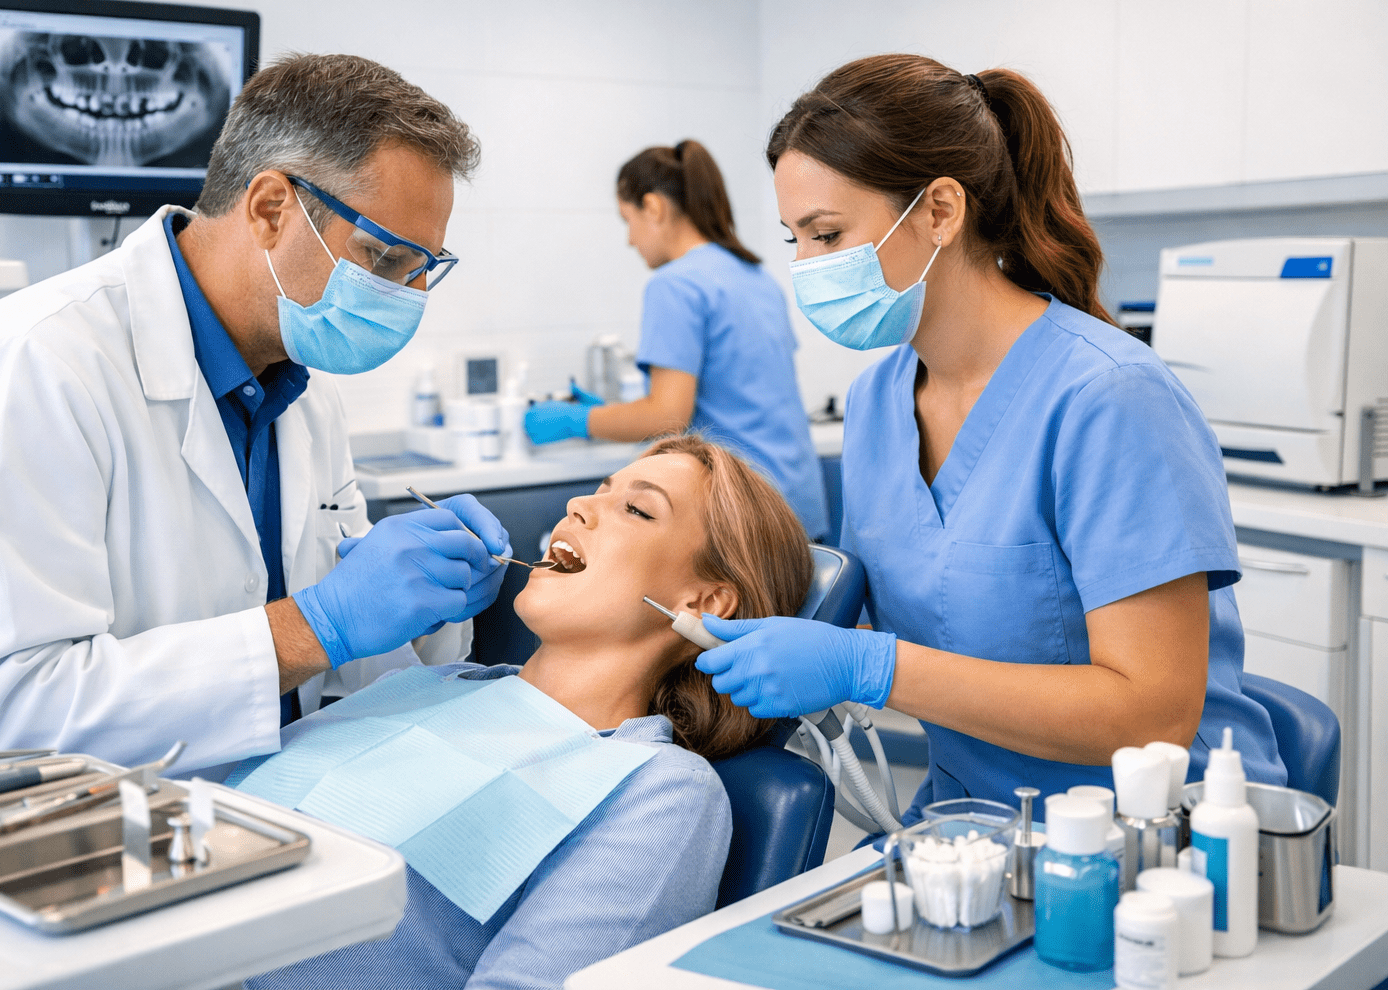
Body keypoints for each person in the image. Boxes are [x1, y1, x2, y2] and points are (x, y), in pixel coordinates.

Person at [0, 55, 512, 774]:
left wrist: (427, 607)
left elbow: (340, 669)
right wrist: (319, 625)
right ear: (271, 208)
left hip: (231, 803)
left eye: (423, 269)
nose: (407, 297)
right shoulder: (30, 368)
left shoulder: (301, 386)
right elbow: (7, 714)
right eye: (382, 258)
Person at [693, 55, 1285, 819]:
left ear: (940, 210)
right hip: (972, 819)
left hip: (1157, 832)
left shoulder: (1109, 397)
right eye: (794, 241)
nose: (806, 267)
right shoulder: (877, 403)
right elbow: (898, 602)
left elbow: (1152, 715)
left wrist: (872, 667)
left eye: (827, 234)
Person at [235, 435, 814, 990]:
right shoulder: (427, 684)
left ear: (703, 604)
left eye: (637, 510)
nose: (579, 504)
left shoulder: (658, 788)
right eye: (600, 489)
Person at [524, 140, 830, 541]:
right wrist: (610, 412)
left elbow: (666, 416)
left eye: (627, 220)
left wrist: (577, 420)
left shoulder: (675, 284)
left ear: (653, 208)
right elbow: (737, 394)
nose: (630, 240)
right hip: (798, 503)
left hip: (742, 513)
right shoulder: (756, 277)